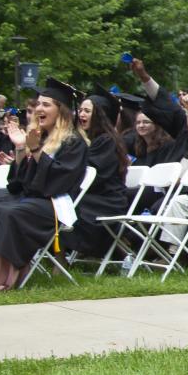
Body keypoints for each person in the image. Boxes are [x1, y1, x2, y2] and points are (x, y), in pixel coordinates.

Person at [0, 78, 89, 293]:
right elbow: (19, 183)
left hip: (54, 203)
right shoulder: (40, 138)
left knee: (10, 213)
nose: (39, 109)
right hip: (30, 197)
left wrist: (35, 151)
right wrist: (20, 149)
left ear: (61, 111)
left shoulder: (74, 142)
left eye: (46, 105)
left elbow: (58, 181)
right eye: (38, 104)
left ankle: (1, 278)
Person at [67, 91, 131, 261]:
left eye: (87, 111)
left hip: (107, 199)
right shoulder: (87, 139)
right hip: (92, 196)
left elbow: (94, 176)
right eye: (80, 110)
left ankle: (106, 244)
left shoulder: (107, 140)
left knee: (66, 204)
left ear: (99, 114)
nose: (81, 114)